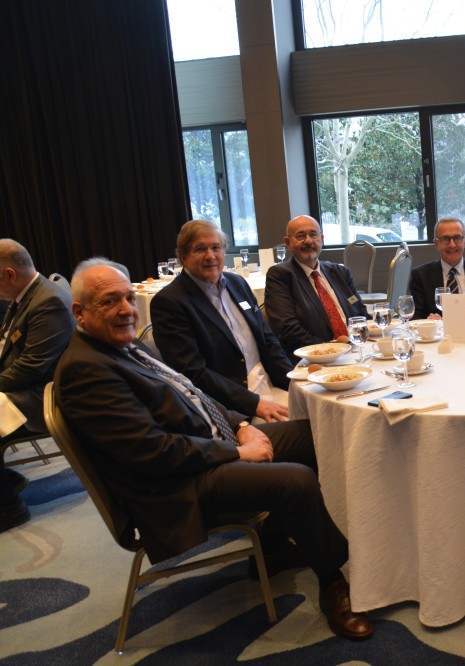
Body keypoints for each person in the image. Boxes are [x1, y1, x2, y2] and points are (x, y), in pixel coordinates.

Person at [55, 260, 372, 639]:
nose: (126, 309)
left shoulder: (121, 345)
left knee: (315, 436)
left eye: (128, 298)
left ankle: (271, 546)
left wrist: (240, 427)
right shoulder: (86, 370)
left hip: (206, 448)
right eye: (110, 301)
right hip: (174, 485)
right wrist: (237, 453)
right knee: (296, 480)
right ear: (80, 312)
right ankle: (333, 580)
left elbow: (192, 394)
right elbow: (152, 453)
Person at [151, 220, 292, 422]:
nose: (210, 256)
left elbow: (268, 340)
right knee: (309, 429)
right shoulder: (170, 302)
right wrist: (254, 404)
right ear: (183, 256)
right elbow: (193, 373)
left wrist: (293, 381)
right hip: (234, 407)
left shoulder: (237, 283)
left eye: (216, 247)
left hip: (272, 386)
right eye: (200, 249)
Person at [0, 240, 75, 533]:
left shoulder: (48, 302)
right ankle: (8, 480)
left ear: (9, 274)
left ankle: (9, 507)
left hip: (44, 396)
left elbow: (31, 368)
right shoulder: (28, 295)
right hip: (28, 386)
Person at [265, 215, 368, 358]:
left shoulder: (340, 272)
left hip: (357, 350)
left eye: (313, 234)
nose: (308, 241)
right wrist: (331, 349)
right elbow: (287, 328)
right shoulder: (281, 276)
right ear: (288, 242)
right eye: (300, 236)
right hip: (315, 357)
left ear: (321, 238)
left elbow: (360, 312)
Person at [408, 216, 465, 319]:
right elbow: (415, 317)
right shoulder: (420, 276)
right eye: (445, 239)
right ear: (436, 244)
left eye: (457, 238)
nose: (452, 245)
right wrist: (431, 322)